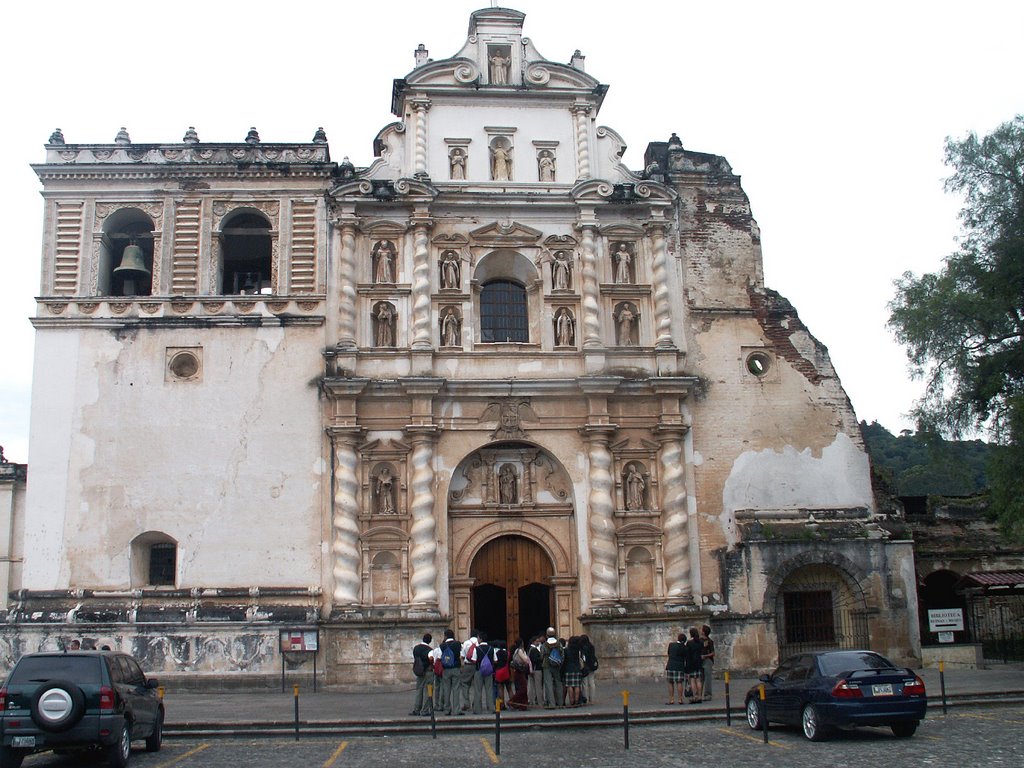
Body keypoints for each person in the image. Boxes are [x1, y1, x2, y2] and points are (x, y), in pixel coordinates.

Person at [437, 628, 463, 715]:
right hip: (456, 668)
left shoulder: (442, 645)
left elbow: (440, 656)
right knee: (456, 689)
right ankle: (456, 709)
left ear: (445, 636)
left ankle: (447, 709)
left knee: (446, 689)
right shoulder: (457, 644)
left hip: (446, 669)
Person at [471, 632, 495, 714]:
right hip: (489, 671)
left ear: (480, 639)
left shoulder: (476, 649)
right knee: (489, 690)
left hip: (479, 670)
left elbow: (474, 660)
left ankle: (477, 709)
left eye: (478, 638)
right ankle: (491, 708)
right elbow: (495, 660)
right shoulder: (491, 648)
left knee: (478, 690)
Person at [411, 633, 433, 716]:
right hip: (428, 672)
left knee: (419, 690)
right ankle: (425, 710)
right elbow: (431, 659)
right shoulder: (430, 650)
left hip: (419, 671)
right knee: (428, 691)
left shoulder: (416, 648)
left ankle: (416, 709)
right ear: (430, 641)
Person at [542, 629, 564, 709]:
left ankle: (551, 703)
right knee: (558, 683)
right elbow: (562, 654)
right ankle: (560, 702)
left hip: (547, 664)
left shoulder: (545, 644)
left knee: (549, 684)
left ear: (547, 635)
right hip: (556, 665)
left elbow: (542, 654)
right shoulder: (559, 643)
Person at [458, 630, 479, 714]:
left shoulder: (466, 643)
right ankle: (476, 704)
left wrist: (462, 665)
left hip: (468, 665)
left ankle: (467, 704)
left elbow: (462, 656)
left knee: (465, 684)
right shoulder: (479, 643)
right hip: (477, 666)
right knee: (477, 686)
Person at [508, 638, 532, 710]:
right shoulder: (519, 651)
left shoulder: (516, 651)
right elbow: (525, 660)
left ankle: (523, 705)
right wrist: (527, 658)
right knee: (523, 689)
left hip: (518, 671)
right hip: (520, 671)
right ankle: (512, 701)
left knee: (522, 688)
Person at [665, 632, 687, 704]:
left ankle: (671, 699)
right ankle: (680, 699)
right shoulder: (684, 647)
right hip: (680, 666)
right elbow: (685, 657)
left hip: (671, 665)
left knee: (670, 682)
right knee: (679, 682)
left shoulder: (671, 645)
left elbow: (669, 653)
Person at [562, 636, 584, 707]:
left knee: (570, 686)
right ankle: (576, 701)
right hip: (577, 669)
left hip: (568, 669)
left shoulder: (566, 650)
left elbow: (564, 660)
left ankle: (571, 701)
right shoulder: (578, 650)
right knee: (577, 686)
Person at [685, 627, 704, 704]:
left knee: (692, 680)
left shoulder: (689, 643)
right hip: (699, 662)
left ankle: (695, 695)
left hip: (691, 663)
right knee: (698, 680)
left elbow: (687, 654)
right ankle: (700, 696)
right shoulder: (700, 642)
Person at [580, 633, 597, 705]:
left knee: (584, 683)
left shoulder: (582, 647)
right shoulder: (591, 646)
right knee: (592, 682)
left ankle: (585, 699)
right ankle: (592, 699)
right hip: (592, 666)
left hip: (585, 666)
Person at [527, 636, 544, 706]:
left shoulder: (529, 649)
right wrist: (541, 658)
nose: (538, 642)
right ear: (533, 642)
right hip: (537, 669)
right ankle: (540, 702)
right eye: (537, 641)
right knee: (538, 686)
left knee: (531, 686)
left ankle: (531, 700)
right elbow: (535, 660)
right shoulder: (534, 650)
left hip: (531, 669)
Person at [700, 624, 715, 701]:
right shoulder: (700, 641)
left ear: (703, 632)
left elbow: (713, 653)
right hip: (701, 660)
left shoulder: (709, 641)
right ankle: (699, 693)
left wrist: (705, 656)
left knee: (707, 677)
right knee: (700, 677)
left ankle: (707, 694)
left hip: (707, 660)